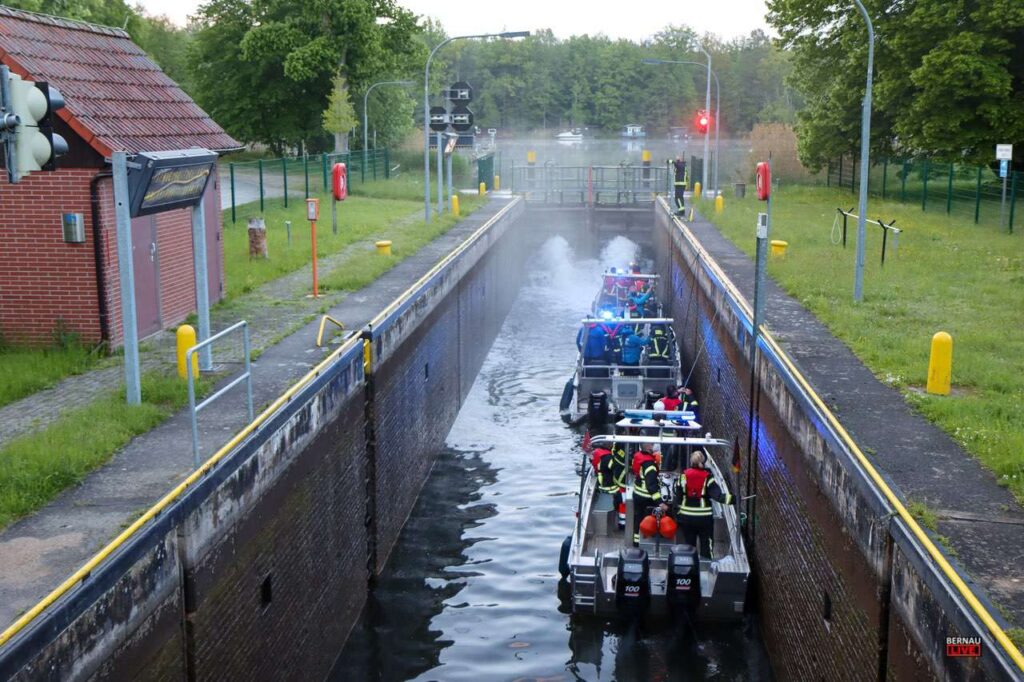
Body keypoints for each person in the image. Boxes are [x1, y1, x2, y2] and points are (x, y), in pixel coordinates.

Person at [669, 450, 734, 558]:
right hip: (704, 520)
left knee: (689, 547)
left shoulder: (683, 477)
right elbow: (719, 497)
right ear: (702, 462)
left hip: (687, 519)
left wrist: (677, 516)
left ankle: (690, 566)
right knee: (706, 546)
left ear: (691, 462)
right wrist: (735, 499)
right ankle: (707, 565)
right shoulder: (708, 478)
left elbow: (677, 498)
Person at [631, 443, 663, 546]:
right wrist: (660, 503)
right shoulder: (650, 465)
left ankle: (636, 542)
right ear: (649, 448)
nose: (654, 446)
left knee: (638, 518)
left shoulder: (639, 456)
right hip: (647, 497)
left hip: (637, 493)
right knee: (650, 519)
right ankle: (648, 542)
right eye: (652, 445)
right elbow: (651, 487)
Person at [592, 443, 626, 529]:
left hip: (603, 485)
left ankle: (621, 521)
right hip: (610, 489)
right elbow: (615, 467)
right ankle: (622, 524)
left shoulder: (598, 453)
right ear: (609, 446)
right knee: (625, 499)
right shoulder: (607, 458)